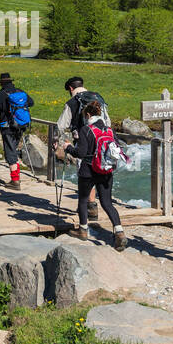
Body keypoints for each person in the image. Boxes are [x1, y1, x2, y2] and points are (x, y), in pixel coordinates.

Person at [60, 98, 127, 249]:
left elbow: (81, 153)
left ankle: (83, 231)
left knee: (83, 200)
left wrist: (68, 147)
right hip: (105, 170)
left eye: (85, 116)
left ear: (88, 115)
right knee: (107, 203)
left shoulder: (86, 130)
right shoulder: (109, 130)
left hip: (88, 170)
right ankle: (119, 232)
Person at [55, 76, 110, 220]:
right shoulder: (98, 98)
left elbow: (61, 125)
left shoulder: (72, 102)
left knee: (85, 174)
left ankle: (90, 207)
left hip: (83, 142)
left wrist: (57, 141)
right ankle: (94, 205)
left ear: (70, 88)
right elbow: (108, 123)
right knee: (100, 169)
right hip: (103, 142)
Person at [0, 72, 33, 190]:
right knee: (13, 149)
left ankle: (15, 181)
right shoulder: (20, 91)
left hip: (7, 126)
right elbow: (31, 102)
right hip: (20, 125)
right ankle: (16, 176)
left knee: (10, 151)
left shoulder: (2, 93)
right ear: (11, 82)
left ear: (1, 83)